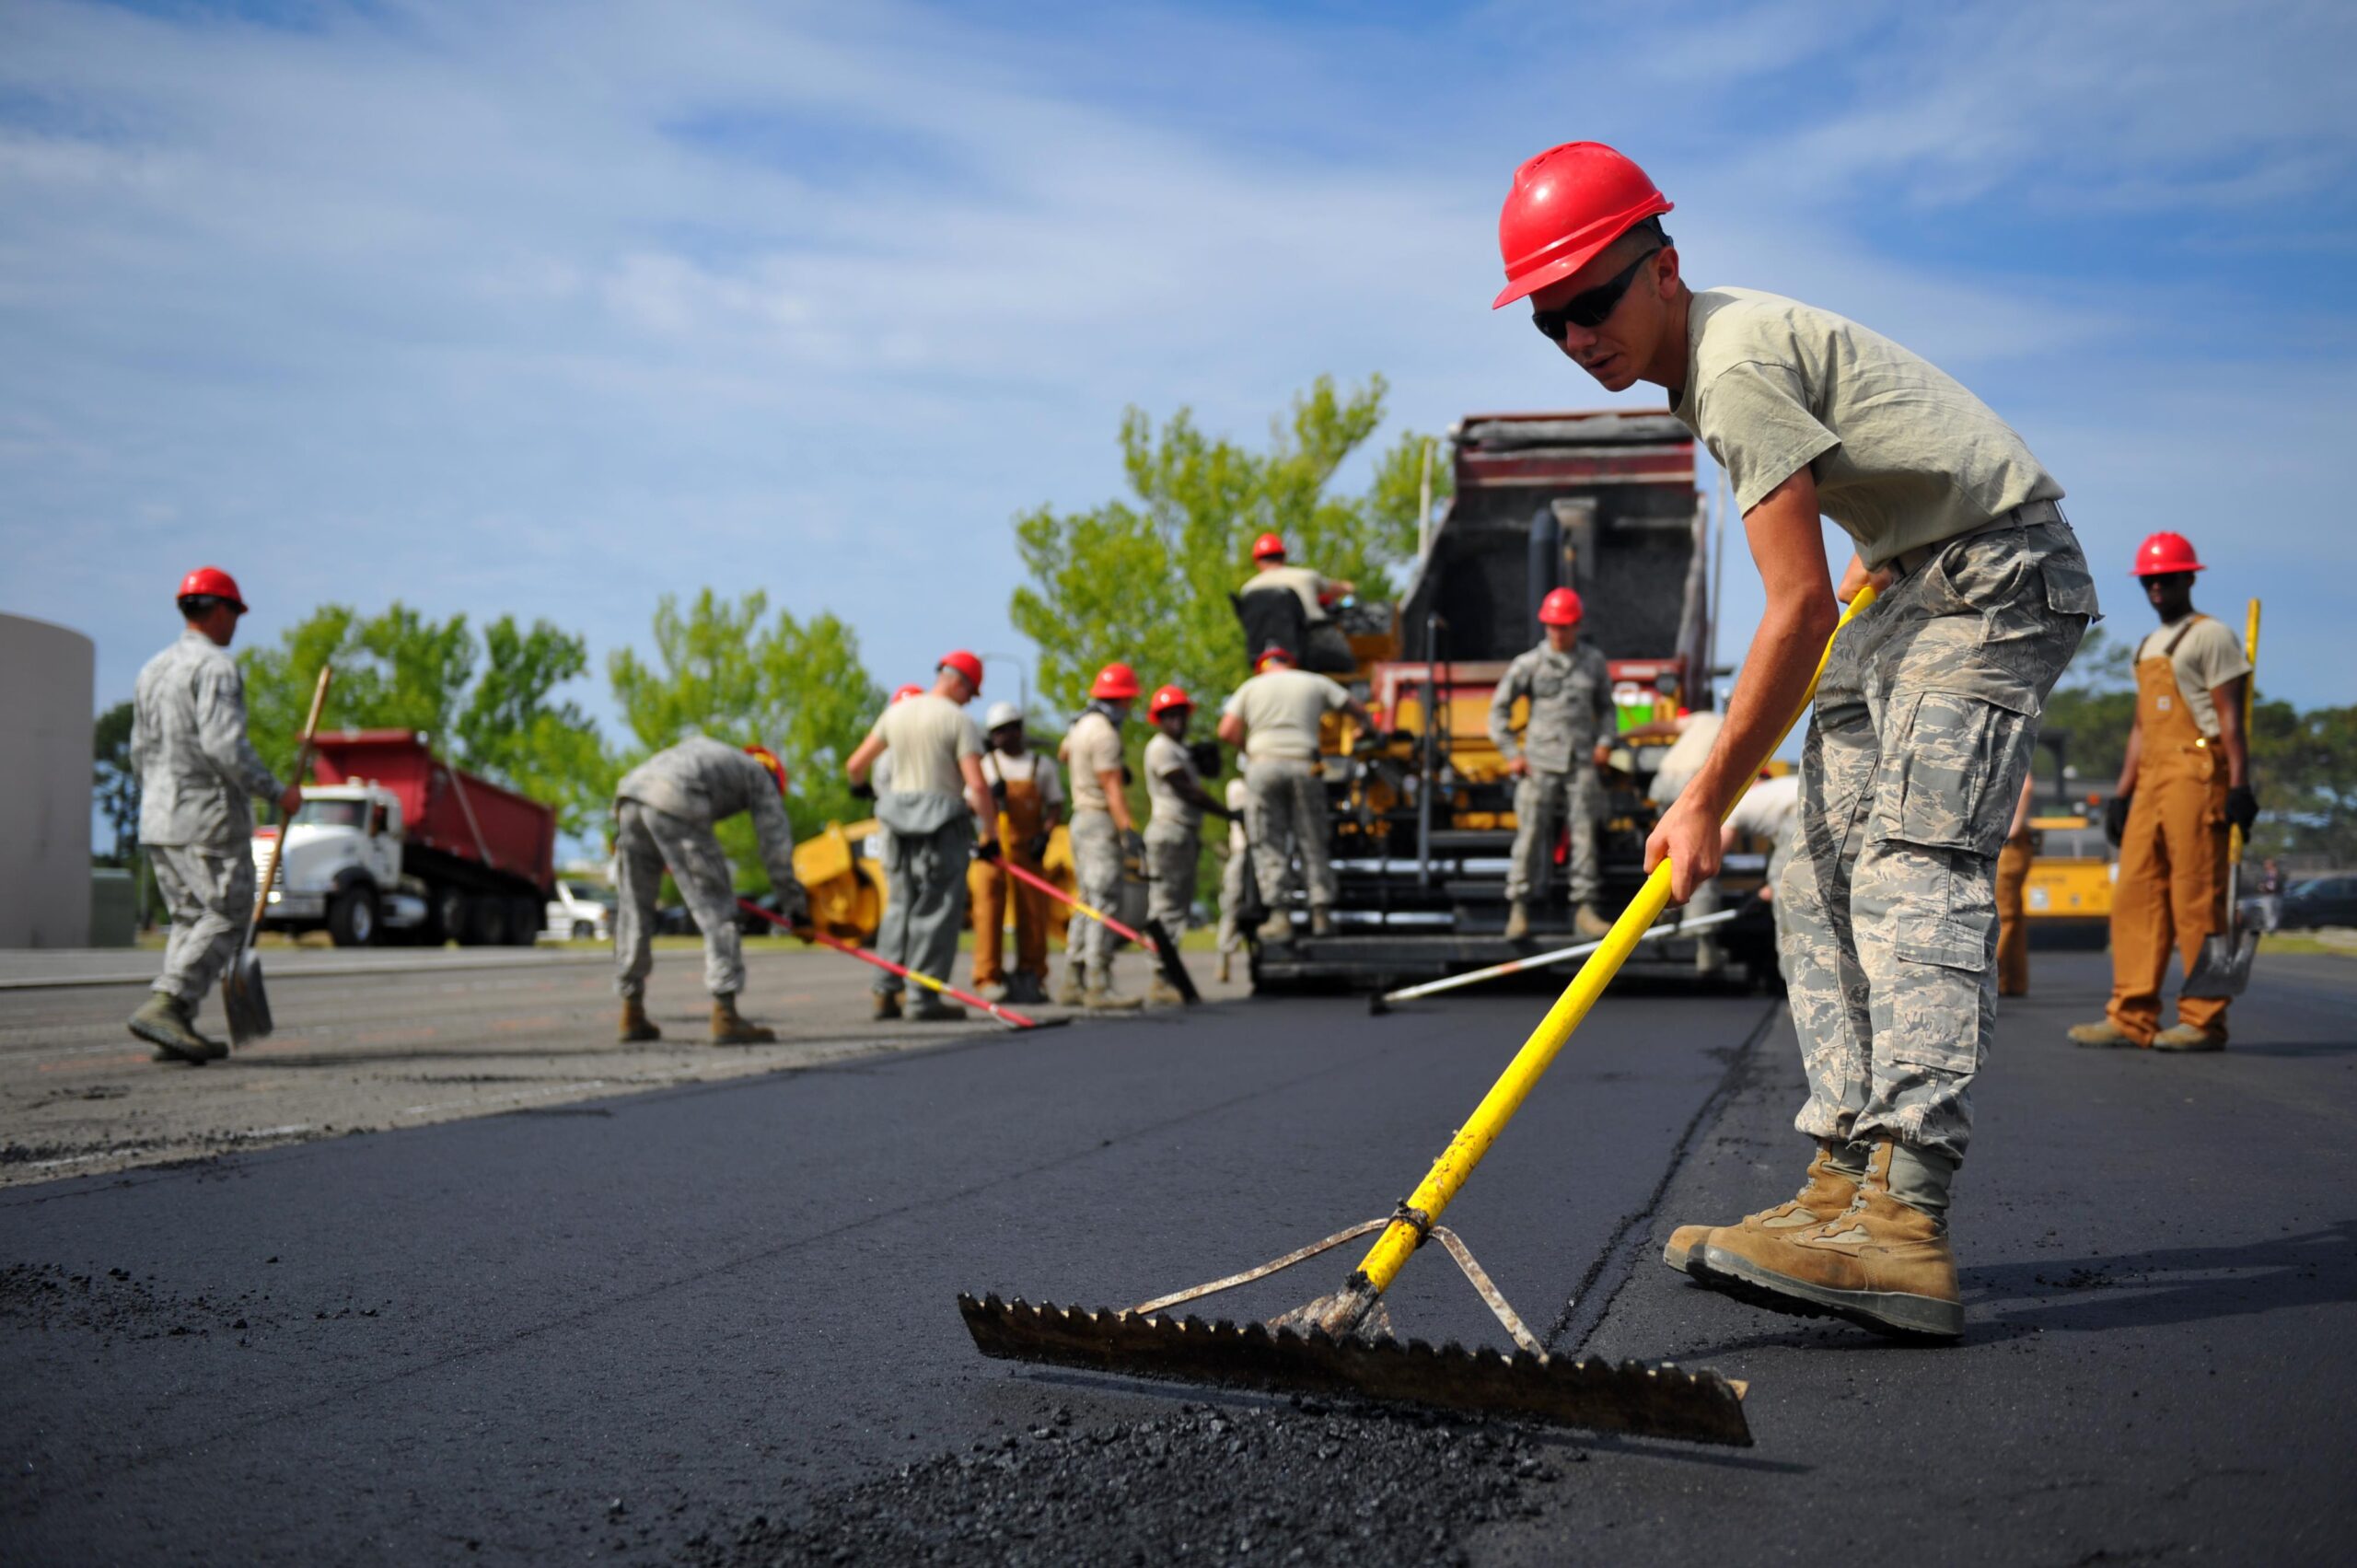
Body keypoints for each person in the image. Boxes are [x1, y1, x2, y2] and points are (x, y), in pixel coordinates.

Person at [1494, 140, 2095, 1338]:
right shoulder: (1709, 367)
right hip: (1920, 571)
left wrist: (1705, 791)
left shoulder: (1731, 365)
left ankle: (1906, 1216)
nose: (1578, 335)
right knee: (1813, 863)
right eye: (1550, 321)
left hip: (1996, 573)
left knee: (1914, 861)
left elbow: (1796, 606)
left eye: (1594, 300)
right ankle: (1839, 1184)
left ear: (1664, 267)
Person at [2069, 534, 2255, 1053]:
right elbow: (2139, 729)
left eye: (2166, 578)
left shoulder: (2210, 635)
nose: (2156, 587)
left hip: (2198, 773)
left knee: (2197, 898)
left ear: (2189, 578)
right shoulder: (2149, 646)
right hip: (2151, 777)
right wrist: (2122, 795)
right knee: (2135, 895)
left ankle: (2204, 1018)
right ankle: (2132, 1014)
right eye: (2149, 579)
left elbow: (2231, 720)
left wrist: (2240, 785)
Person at [125, 567, 306, 1064]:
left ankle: (175, 1025)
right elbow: (225, 745)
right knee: (228, 911)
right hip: (207, 816)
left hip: (159, 817)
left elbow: (139, 750)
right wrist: (276, 792)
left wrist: (159, 798)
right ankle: (170, 1002)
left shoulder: (153, 670)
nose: (236, 625)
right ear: (221, 610)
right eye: (236, 614)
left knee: (189, 918)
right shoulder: (216, 668)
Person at [612, 738, 807, 1044]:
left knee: (634, 910)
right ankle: (726, 1015)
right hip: (675, 799)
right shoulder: (759, 777)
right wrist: (796, 907)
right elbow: (776, 849)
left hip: (630, 797)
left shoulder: (714, 755)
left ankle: (631, 1011)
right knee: (717, 910)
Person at [844, 652, 999, 1021]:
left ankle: (885, 991)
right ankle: (922, 997)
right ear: (959, 682)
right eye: (971, 692)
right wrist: (990, 834)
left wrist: (861, 789)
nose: (970, 700)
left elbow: (855, 765)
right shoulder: (959, 721)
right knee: (936, 909)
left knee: (899, 904)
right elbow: (977, 786)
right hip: (941, 824)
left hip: (896, 823)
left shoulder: (897, 713)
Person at [1216, 645, 1374, 944]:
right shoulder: (1313, 681)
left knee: (1268, 840)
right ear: (1291, 664)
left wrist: (1248, 749)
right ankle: (1320, 912)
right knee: (1312, 838)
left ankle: (1280, 915)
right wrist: (1363, 729)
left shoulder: (1251, 687)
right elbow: (1356, 708)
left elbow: (1226, 730)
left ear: (1263, 666)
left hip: (1263, 765)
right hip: (1304, 764)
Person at [1489, 586, 1615, 941]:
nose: (1558, 633)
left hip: (1581, 763)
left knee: (1584, 836)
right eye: (1553, 626)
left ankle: (1585, 908)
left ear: (1577, 626)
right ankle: (1519, 907)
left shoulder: (1593, 662)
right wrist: (1512, 753)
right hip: (1538, 763)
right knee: (1528, 836)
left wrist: (1605, 742)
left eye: (1565, 626)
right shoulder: (1527, 664)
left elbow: (1607, 709)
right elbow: (1498, 710)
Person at [1051, 663, 1148, 1009]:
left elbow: (1063, 754)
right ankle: (1098, 983)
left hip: (1079, 820)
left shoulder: (1081, 726)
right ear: (1121, 701)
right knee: (1105, 899)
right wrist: (1128, 829)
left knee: (1087, 900)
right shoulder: (1104, 733)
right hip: (1098, 820)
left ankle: (1073, 979)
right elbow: (1112, 788)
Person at [1141, 684, 1233, 1005]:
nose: (1176, 720)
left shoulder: (1181, 749)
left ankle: (1168, 973)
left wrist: (1206, 759)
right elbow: (1187, 791)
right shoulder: (1161, 749)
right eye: (1169, 715)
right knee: (1166, 906)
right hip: (1170, 832)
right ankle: (1161, 976)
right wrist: (1227, 814)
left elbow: (1209, 774)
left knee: (1177, 908)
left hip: (1184, 833)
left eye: (1180, 714)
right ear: (1159, 719)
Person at [970, 702, 1063, 1005]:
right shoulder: (984, 765)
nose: (1006, 736)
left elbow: (1055, 804)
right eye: (999, 732)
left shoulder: (1040, 765)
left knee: (1033, 913)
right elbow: (970, 801)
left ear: (1020, 730)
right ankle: (988, 977)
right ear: (992, 736)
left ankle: (1032, 975)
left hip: (1028, 850)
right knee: (988, 911)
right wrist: (988, 800)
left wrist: (1046, 834)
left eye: (1011, 729)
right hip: (993, 849)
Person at [1237, 533, 1357, 674]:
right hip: (1312, 648)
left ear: (1257, 561)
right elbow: (1334, 589)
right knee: (1349, 664)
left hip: (1268, 656)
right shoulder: (1306, 576)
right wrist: (1348, 587)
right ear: (1284, 556)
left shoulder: (1248, 590)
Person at [1721, 770, 1802, 980]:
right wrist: (1770, 887)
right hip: (1827, 804)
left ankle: (1794, 985)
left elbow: (1711, 852)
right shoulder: (1776, 789)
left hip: (1800, 814)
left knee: (1790, 909)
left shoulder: (1736, 805)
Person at [1993, 772, 2038, 998]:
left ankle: (1991, 977)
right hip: (2016, 844)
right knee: (2013, 915)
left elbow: (2026, 784)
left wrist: (2011, 828)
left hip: (2009, 844)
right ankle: (2011, 981)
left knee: (2003, 915)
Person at [1213, 775, 1252, 984]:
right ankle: (1223, 957)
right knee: (1232, 906)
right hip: (1241, 853)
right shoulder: (1237, 786)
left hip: (1262, 855)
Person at [2256, 858, 2285, 935]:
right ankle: (2270, 928)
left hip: (2276, 895)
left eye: (2267, 864)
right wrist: (2262, 887)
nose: (2265, 866)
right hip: (2267, 896)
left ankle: (2272, 928)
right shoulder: (2265, 874)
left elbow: (2279, 883)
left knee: (2275, 912)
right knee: (2268, 912)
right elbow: (2261, 883)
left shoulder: (2278, 873)